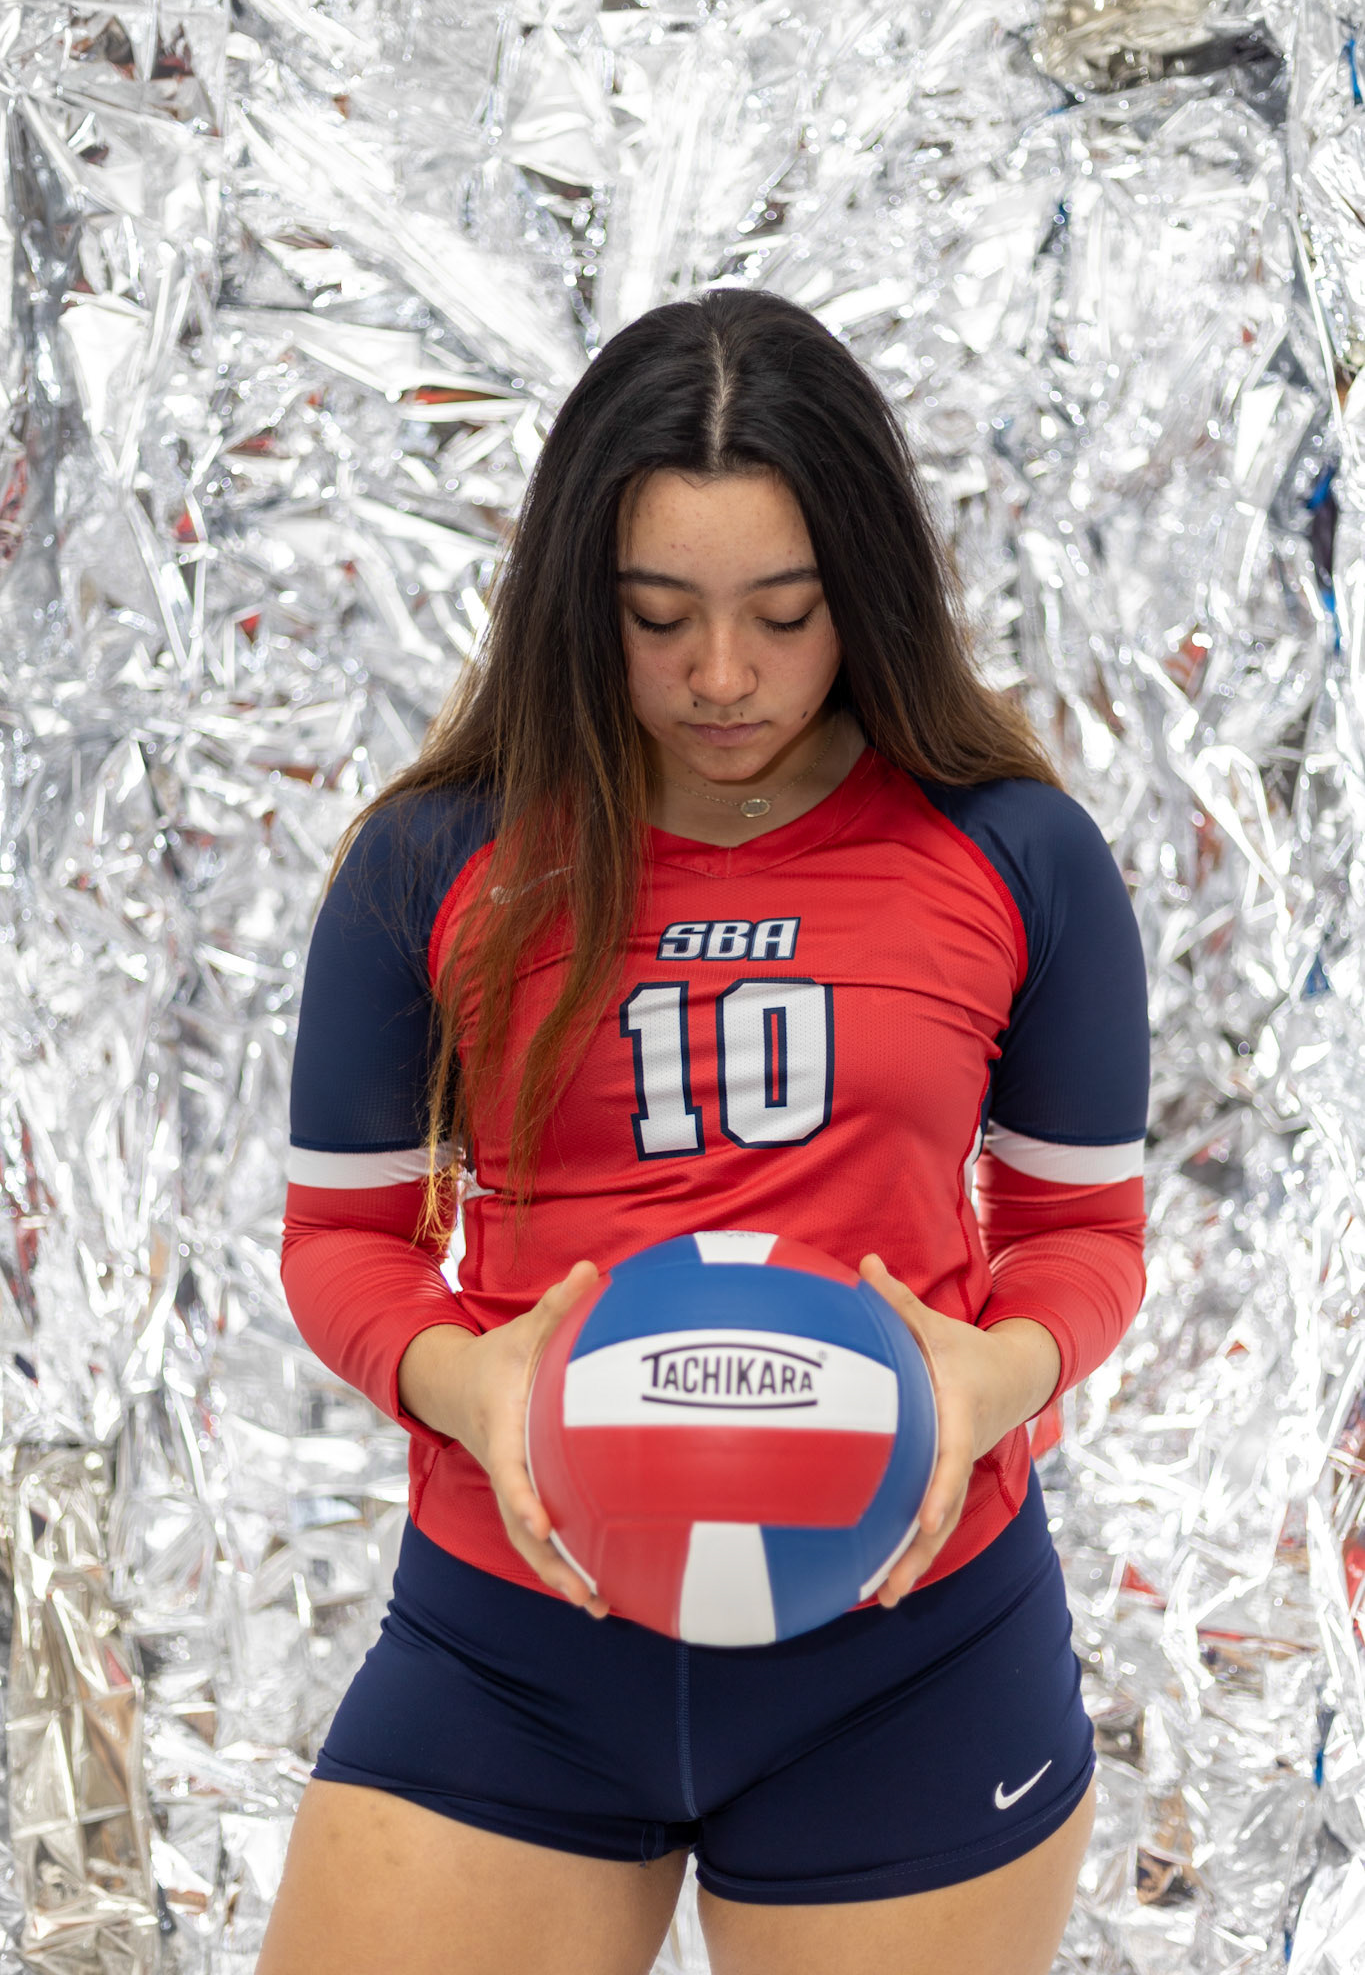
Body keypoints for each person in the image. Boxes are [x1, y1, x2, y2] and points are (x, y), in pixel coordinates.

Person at [258, 289, 1149, 1975]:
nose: (720, 675)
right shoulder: (435, 859)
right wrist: (473, 1381)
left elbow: (1083, 1238)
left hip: (911, 1657)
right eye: (654, 616)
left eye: (783, 613)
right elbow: (342, 1244)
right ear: (570, 605)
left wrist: (991, 1376)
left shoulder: (1015, 856)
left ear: (863, 596)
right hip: (514, 1651)